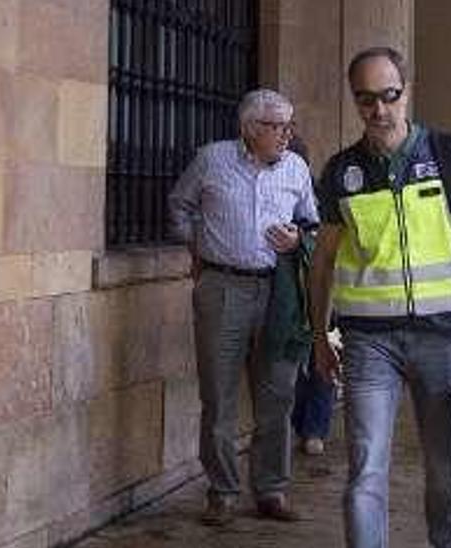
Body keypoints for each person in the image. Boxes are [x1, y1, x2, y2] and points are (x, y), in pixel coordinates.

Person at [307, 46, 451, 548]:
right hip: (369, 343)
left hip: (444, 338)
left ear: (406, 90)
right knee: (365, 471)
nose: (379, 109)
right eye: (366, 99)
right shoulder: (340, 172)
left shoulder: (446, 154)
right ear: (355, 100)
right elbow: (323, 260)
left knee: (444, 468)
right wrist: (319, 336)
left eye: (389, 95)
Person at [168, 88, 317, 526]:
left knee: (277, 393)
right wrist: (194, 245)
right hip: (222, 287)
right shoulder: (212, 160)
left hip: (279, 293)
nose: (286, 135)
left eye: (290, 125)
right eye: (277, 126)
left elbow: (315, 223)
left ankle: (271, 489)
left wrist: (298, 241)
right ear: (250, 128)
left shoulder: (296, 168)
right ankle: (222, 492)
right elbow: (179, 204)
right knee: (218, 395)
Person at [285, 134, 336, 457]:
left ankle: (314, 428)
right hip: (288, 291)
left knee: (321, 357)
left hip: (321, 289)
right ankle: (304, 425)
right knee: (296, 359)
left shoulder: (318, 194)